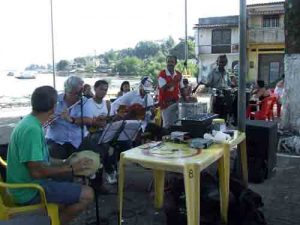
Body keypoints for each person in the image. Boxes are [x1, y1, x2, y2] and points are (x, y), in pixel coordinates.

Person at [6, 86, 94, 225]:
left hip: (27, 184)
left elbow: (44, 161)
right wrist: (71, 169)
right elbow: (37, 172)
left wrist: (66, 162)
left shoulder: (30, 122)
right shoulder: (32, 130)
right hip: (29, 190)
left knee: (67, 191)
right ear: (53, 107)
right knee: (87, 194)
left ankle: (54, 218)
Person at [46, 75, 94, 159]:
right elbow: (44, 117)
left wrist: (71, 119)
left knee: (80, 164)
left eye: (77, 93)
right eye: (71, 93)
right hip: (56, 141)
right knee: (56, 161)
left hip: (78, 141)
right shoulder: (54, 100)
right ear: (65, 90)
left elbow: (89, 120)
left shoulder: (85, 102)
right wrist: (49, 120)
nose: (74, 96)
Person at [84, 80, 117, 185]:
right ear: (95, 88)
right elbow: (87, 124)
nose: (104, 92)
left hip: (105, 132)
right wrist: (97, 121)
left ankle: (106, 166)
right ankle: (108, 170)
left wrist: (114, 118)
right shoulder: (88, 104)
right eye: (101, 89)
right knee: (103, 144)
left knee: (125, 142)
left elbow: (109, 120)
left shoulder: (107, 104)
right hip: (92, 133)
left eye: (106, 90)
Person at [158, 55, 184, 128]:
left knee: (176, 123)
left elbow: (181, 88)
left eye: (172, 62)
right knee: (167, 125)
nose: (170, 63)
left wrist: (186, 98)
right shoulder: (162, 74)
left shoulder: (179, 74)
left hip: (176, 102)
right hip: (165, 104)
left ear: (175, 63)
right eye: (168, 61)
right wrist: (175, 81)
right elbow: (163, 88)